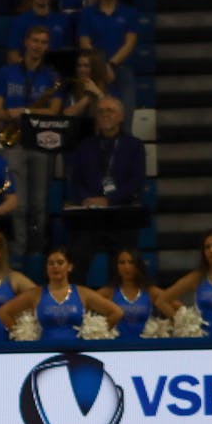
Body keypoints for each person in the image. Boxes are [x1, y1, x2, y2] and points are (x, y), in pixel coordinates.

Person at [0, 25, 62, 256]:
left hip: (40, 142)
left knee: (39, 204)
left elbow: (56, 110)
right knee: (18, 205)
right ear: (26, 42)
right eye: (35, 41)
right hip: (13, 142)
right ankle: (18, 254)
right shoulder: (6, 72)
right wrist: (10, 114)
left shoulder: (52, 76)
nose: (39, 46)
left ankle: (37, 254)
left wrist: (27, 113)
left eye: (44, 42)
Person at [68, 96, 145, 284]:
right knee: (76, 255)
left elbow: (136, 182)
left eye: (109, 111)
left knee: (123, 258)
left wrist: (109, 200)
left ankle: (118, 305)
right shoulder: (84, 146)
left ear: (121, 116)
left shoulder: (134, 146)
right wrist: (88, 199)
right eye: (101, 111)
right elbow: (75, 180)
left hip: (120, 213)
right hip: (91, 216)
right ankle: (77, 302)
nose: (104, 115)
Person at [0, 247, 123, 342]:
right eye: (51, 263)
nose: (55, 267)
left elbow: (117, 312)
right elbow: (3, 312)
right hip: (43, 353)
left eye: (60, 262)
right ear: (46, 268)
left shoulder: (83, 293)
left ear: (69, 267)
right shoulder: (35, 294)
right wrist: (22, 336)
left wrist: (98, 334)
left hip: (77, 354)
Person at [78, 0, 138, 132]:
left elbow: (130, 43)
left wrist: (110, 64)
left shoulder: (129, 13)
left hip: (123, 72)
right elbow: (84, 42)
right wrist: (102, 66)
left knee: (125, 122)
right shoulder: (87, 14)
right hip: (95, 72)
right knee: (95, 122)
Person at [155, 230, 212, 340]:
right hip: (204, 344)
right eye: (207, 247)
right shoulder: (197, 277)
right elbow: (161, 301)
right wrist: (183, 324)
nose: (211, 250)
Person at [96, 249, 166, 341]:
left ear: (139, 266)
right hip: (116, 348)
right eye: (122, 262)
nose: (126, 267)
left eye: (131, 262)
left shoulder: (151, 291)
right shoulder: (108, 292)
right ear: (116, 267)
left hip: (146, 347)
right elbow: (83, 303)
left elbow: (180, 310)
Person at [7, 0, 69, 64]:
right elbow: (12, 56)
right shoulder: (18, 22)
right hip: (27, 73)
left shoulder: (63, 21)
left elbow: (66, 55)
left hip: (54, 74)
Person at [63, 49, 111, 118]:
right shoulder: (73, 89)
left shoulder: (108, 87)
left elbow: (111, 114)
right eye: (79, 66)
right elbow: (67, 114)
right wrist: (88, 97)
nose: (82, 70)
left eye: (86, 66)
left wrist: (97, 92)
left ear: (95, 68)